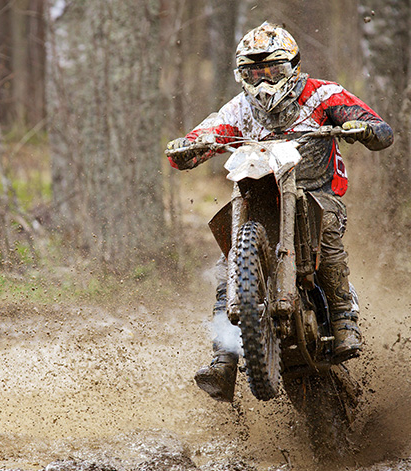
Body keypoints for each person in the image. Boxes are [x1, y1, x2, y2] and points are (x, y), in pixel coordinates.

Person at [166, 22, 393, 402]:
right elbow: (204, 136)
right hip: (260, 201)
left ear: (293, 66)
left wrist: (361, 128)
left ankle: (342, 319)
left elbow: (380, 128)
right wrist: (189, 146)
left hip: (317, 194)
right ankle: (223, 360)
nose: (264, 79)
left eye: (272, 69)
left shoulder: (323, 94)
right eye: (254, 72)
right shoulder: (239, 108)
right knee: (227, 265)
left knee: (330, 230)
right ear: (241, 74)